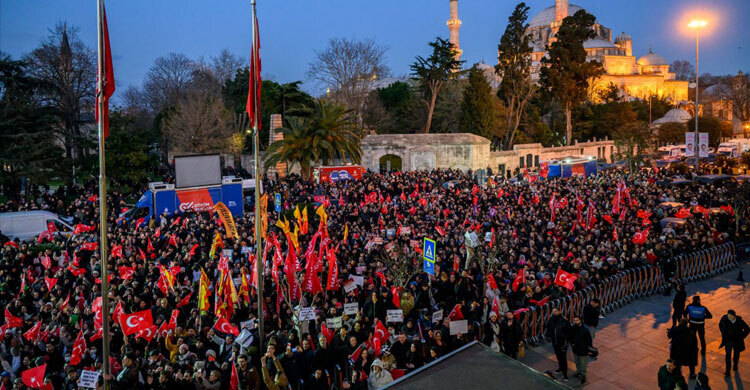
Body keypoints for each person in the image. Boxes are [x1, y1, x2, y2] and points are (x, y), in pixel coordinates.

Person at [718, 309, 750, 377]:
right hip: (728, 341)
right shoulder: (724, 319)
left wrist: (742, 337)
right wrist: (723, 332)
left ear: (734, 316)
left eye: (730, 316)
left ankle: (735, 365)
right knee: (728, 356)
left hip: (737, 341)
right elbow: (720, 325)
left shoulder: (739, 320)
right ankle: (727, 371)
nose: (728, 317)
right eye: (728, 315)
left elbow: (747, 329)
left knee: (736, 354)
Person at [545, 308, 571, 382]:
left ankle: (565, 374)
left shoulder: (565, 321)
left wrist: (565, 340)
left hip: (563, 344)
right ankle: (560, 368)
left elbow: (569, 332)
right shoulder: (551, 320)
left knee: (563, 358)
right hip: (555, 343)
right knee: (558, 356)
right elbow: (548, 328)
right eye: (553, 311)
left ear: (560, 311)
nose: (554, 313)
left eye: (556, 311)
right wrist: (549, 336)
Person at [568, 316, 593, 384]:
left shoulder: (585, 330)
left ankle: (583, 377)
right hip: (575, 350)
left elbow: (589, 341)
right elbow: (570, 337)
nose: (575, 322)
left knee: (583, 365)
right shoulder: (573, 328)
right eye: (574, 320)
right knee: (577, 362)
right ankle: (579, 372)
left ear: (580, 321)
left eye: (577, 320)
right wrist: (572, 343)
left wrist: (587, 349)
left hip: (583, 351)